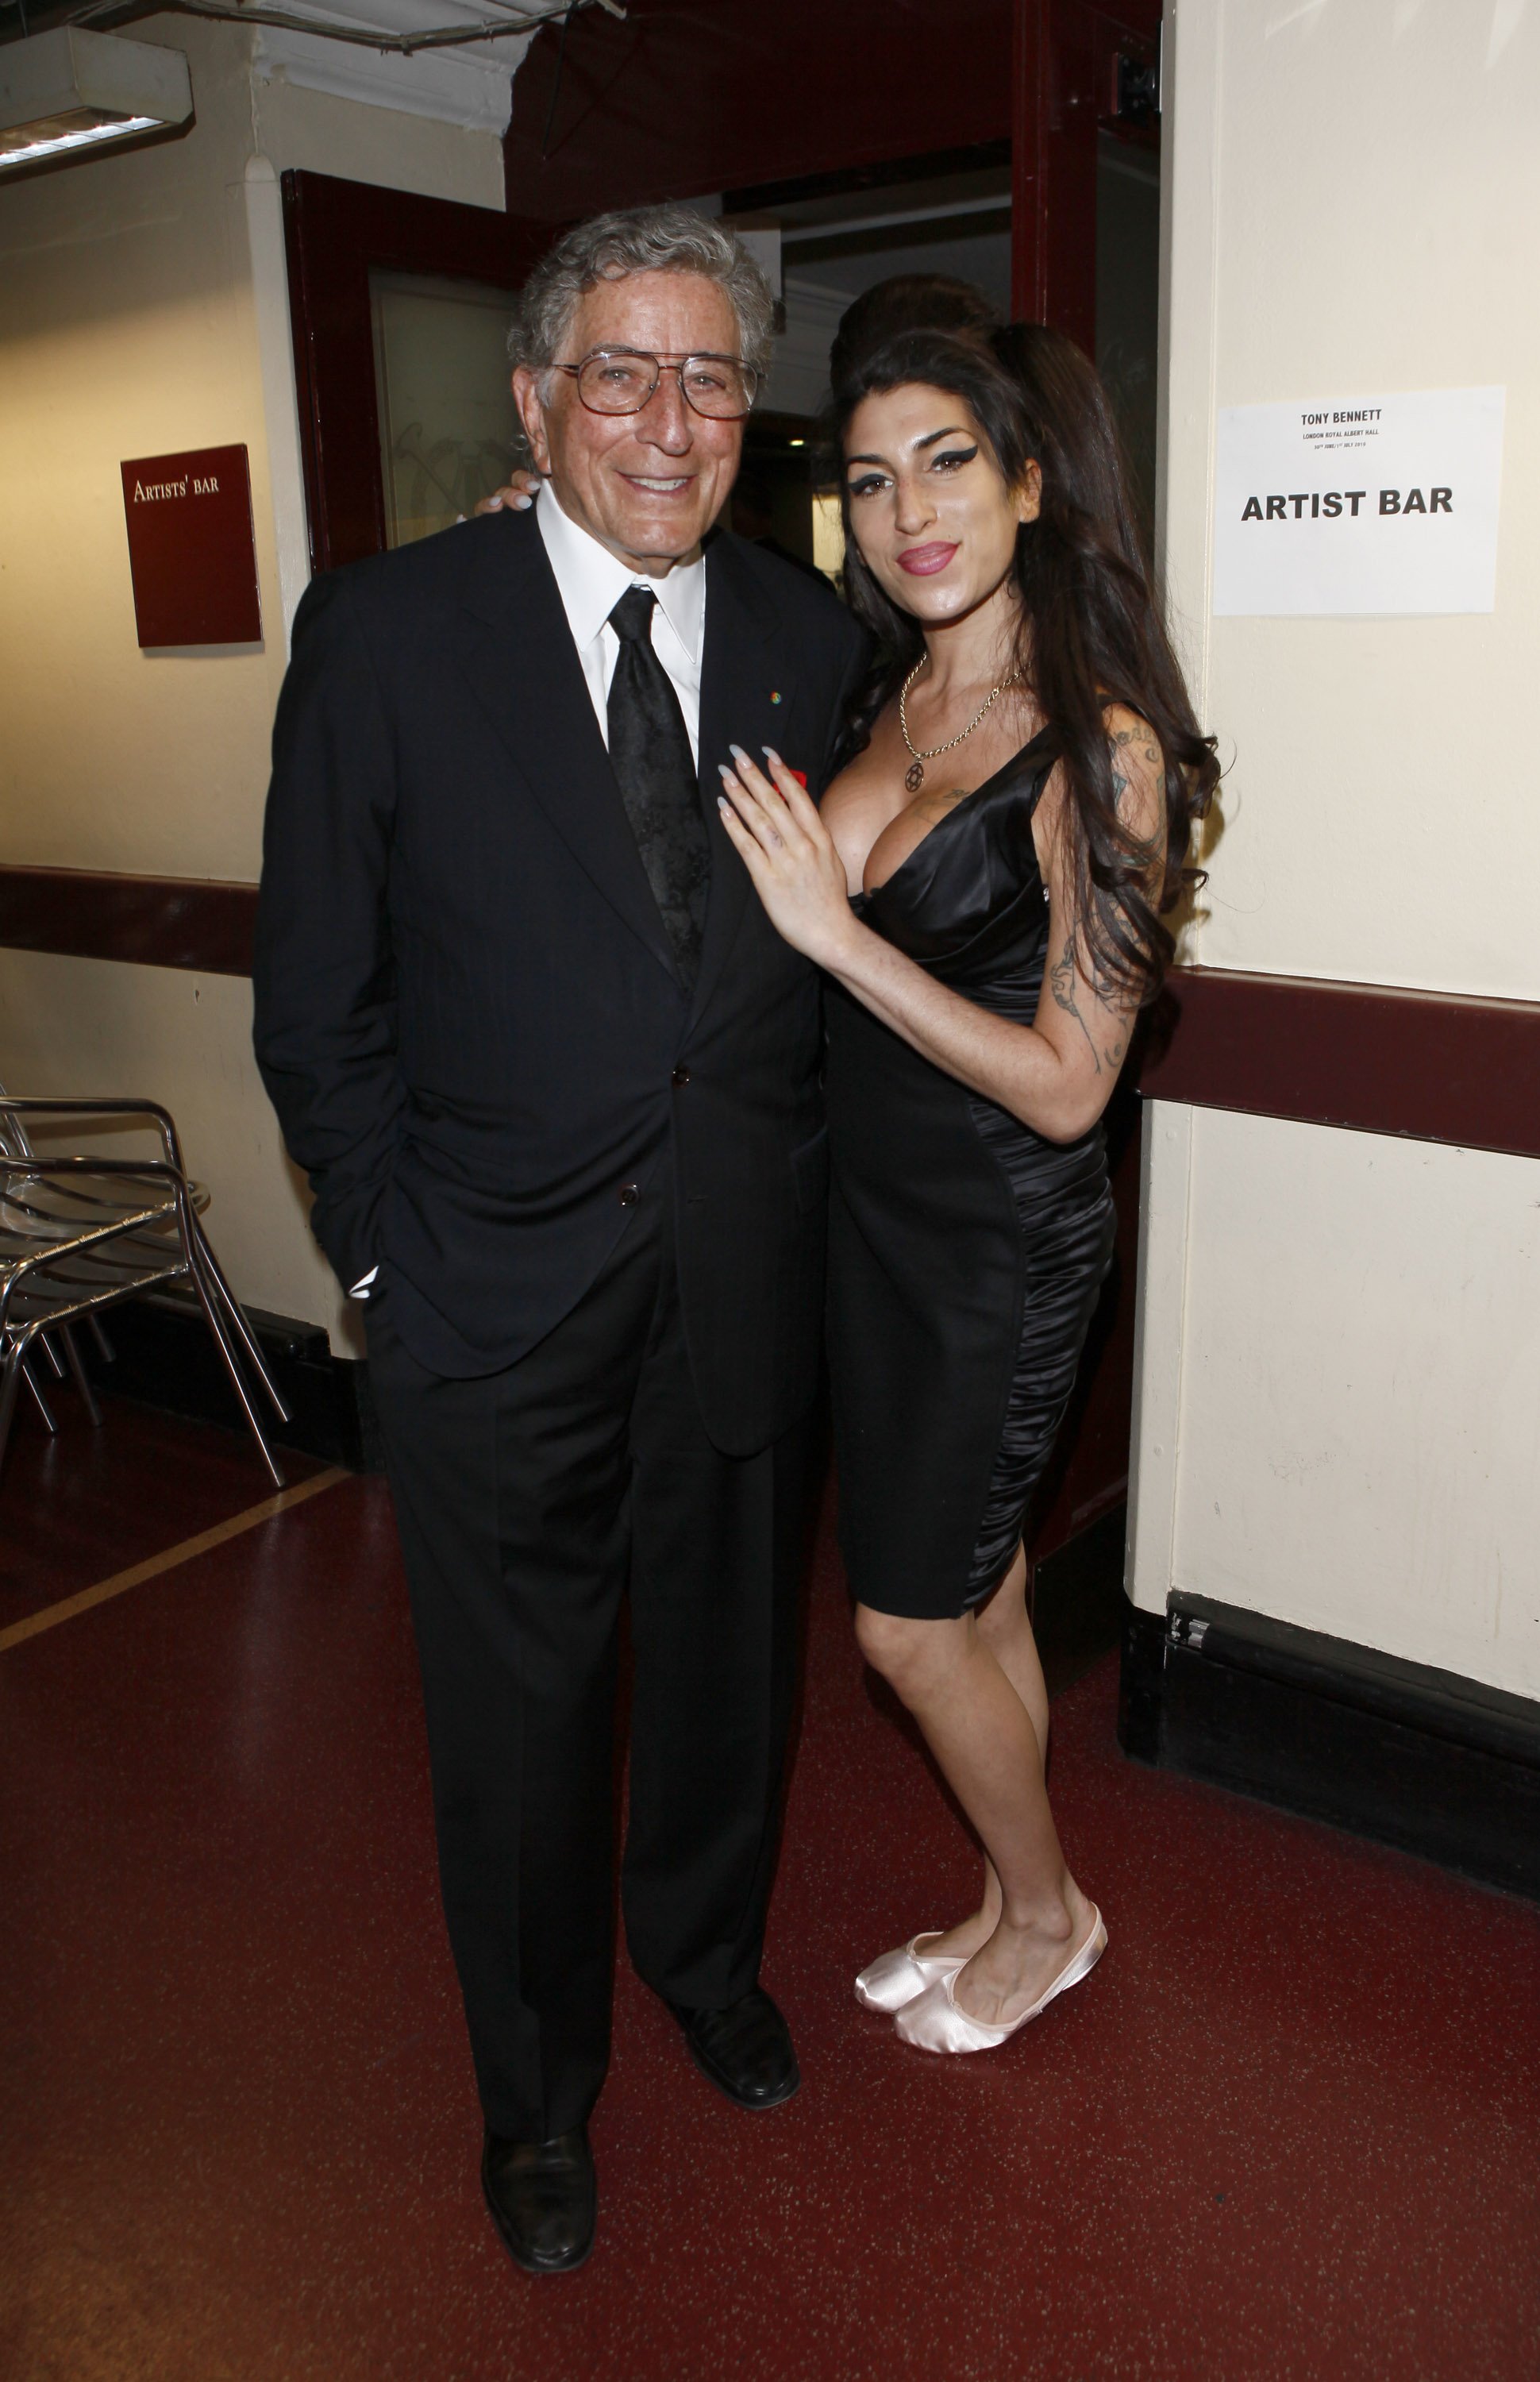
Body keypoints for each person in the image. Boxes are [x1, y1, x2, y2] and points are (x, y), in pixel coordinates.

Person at [252, 205, 867, 2275]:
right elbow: (314, 1006)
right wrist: (380, 1269)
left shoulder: (806, 637)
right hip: (484, 1309)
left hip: (735, 1283)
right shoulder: (390, 634)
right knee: (516, 1742)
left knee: (719, 1689)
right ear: (535, 396)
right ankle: (534, 2100)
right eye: (622, 370)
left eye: (709, 374)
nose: (670, 419)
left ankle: (702, 1964)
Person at [717, 308, 1217, 2054]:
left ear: (1023, 483)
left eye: (945, 461)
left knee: (905, 1624)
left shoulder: (1104, 750)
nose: (906, 508)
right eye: (866, 478)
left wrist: (833, 942)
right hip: (867, 1216)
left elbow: (1076, 1089)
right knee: (981, 1588)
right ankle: (1012, 1897)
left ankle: (1056, 1913)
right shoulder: (888, 685)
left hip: (998, 1235)